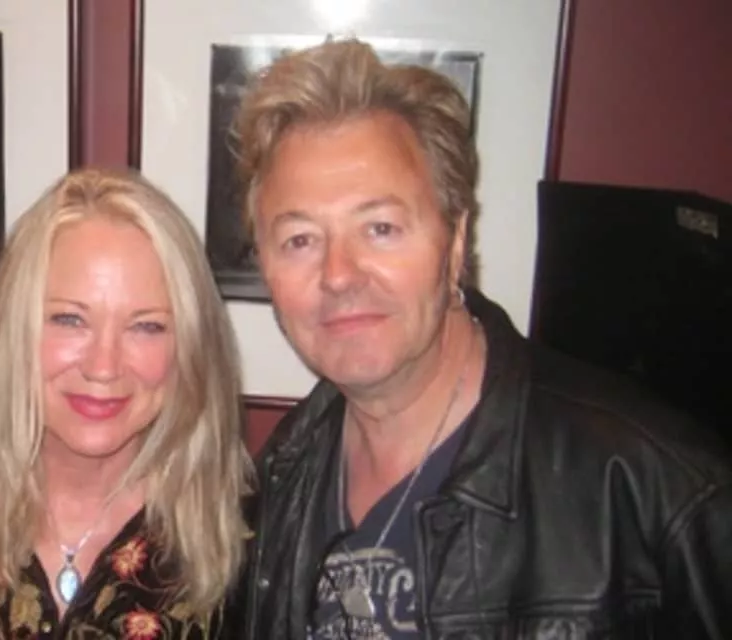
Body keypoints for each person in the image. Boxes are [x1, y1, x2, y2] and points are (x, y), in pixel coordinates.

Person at [232, 39, 732, 638]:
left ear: (455, 243)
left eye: (381, 228)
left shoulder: (658, 490)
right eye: (300, 240)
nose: (338, 274)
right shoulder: (281, 474)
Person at [0, 168, 253, 638]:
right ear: (14, 330)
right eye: (69, 319)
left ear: (191, 347)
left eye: (146, 326)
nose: (103, 367)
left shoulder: (249, 536)